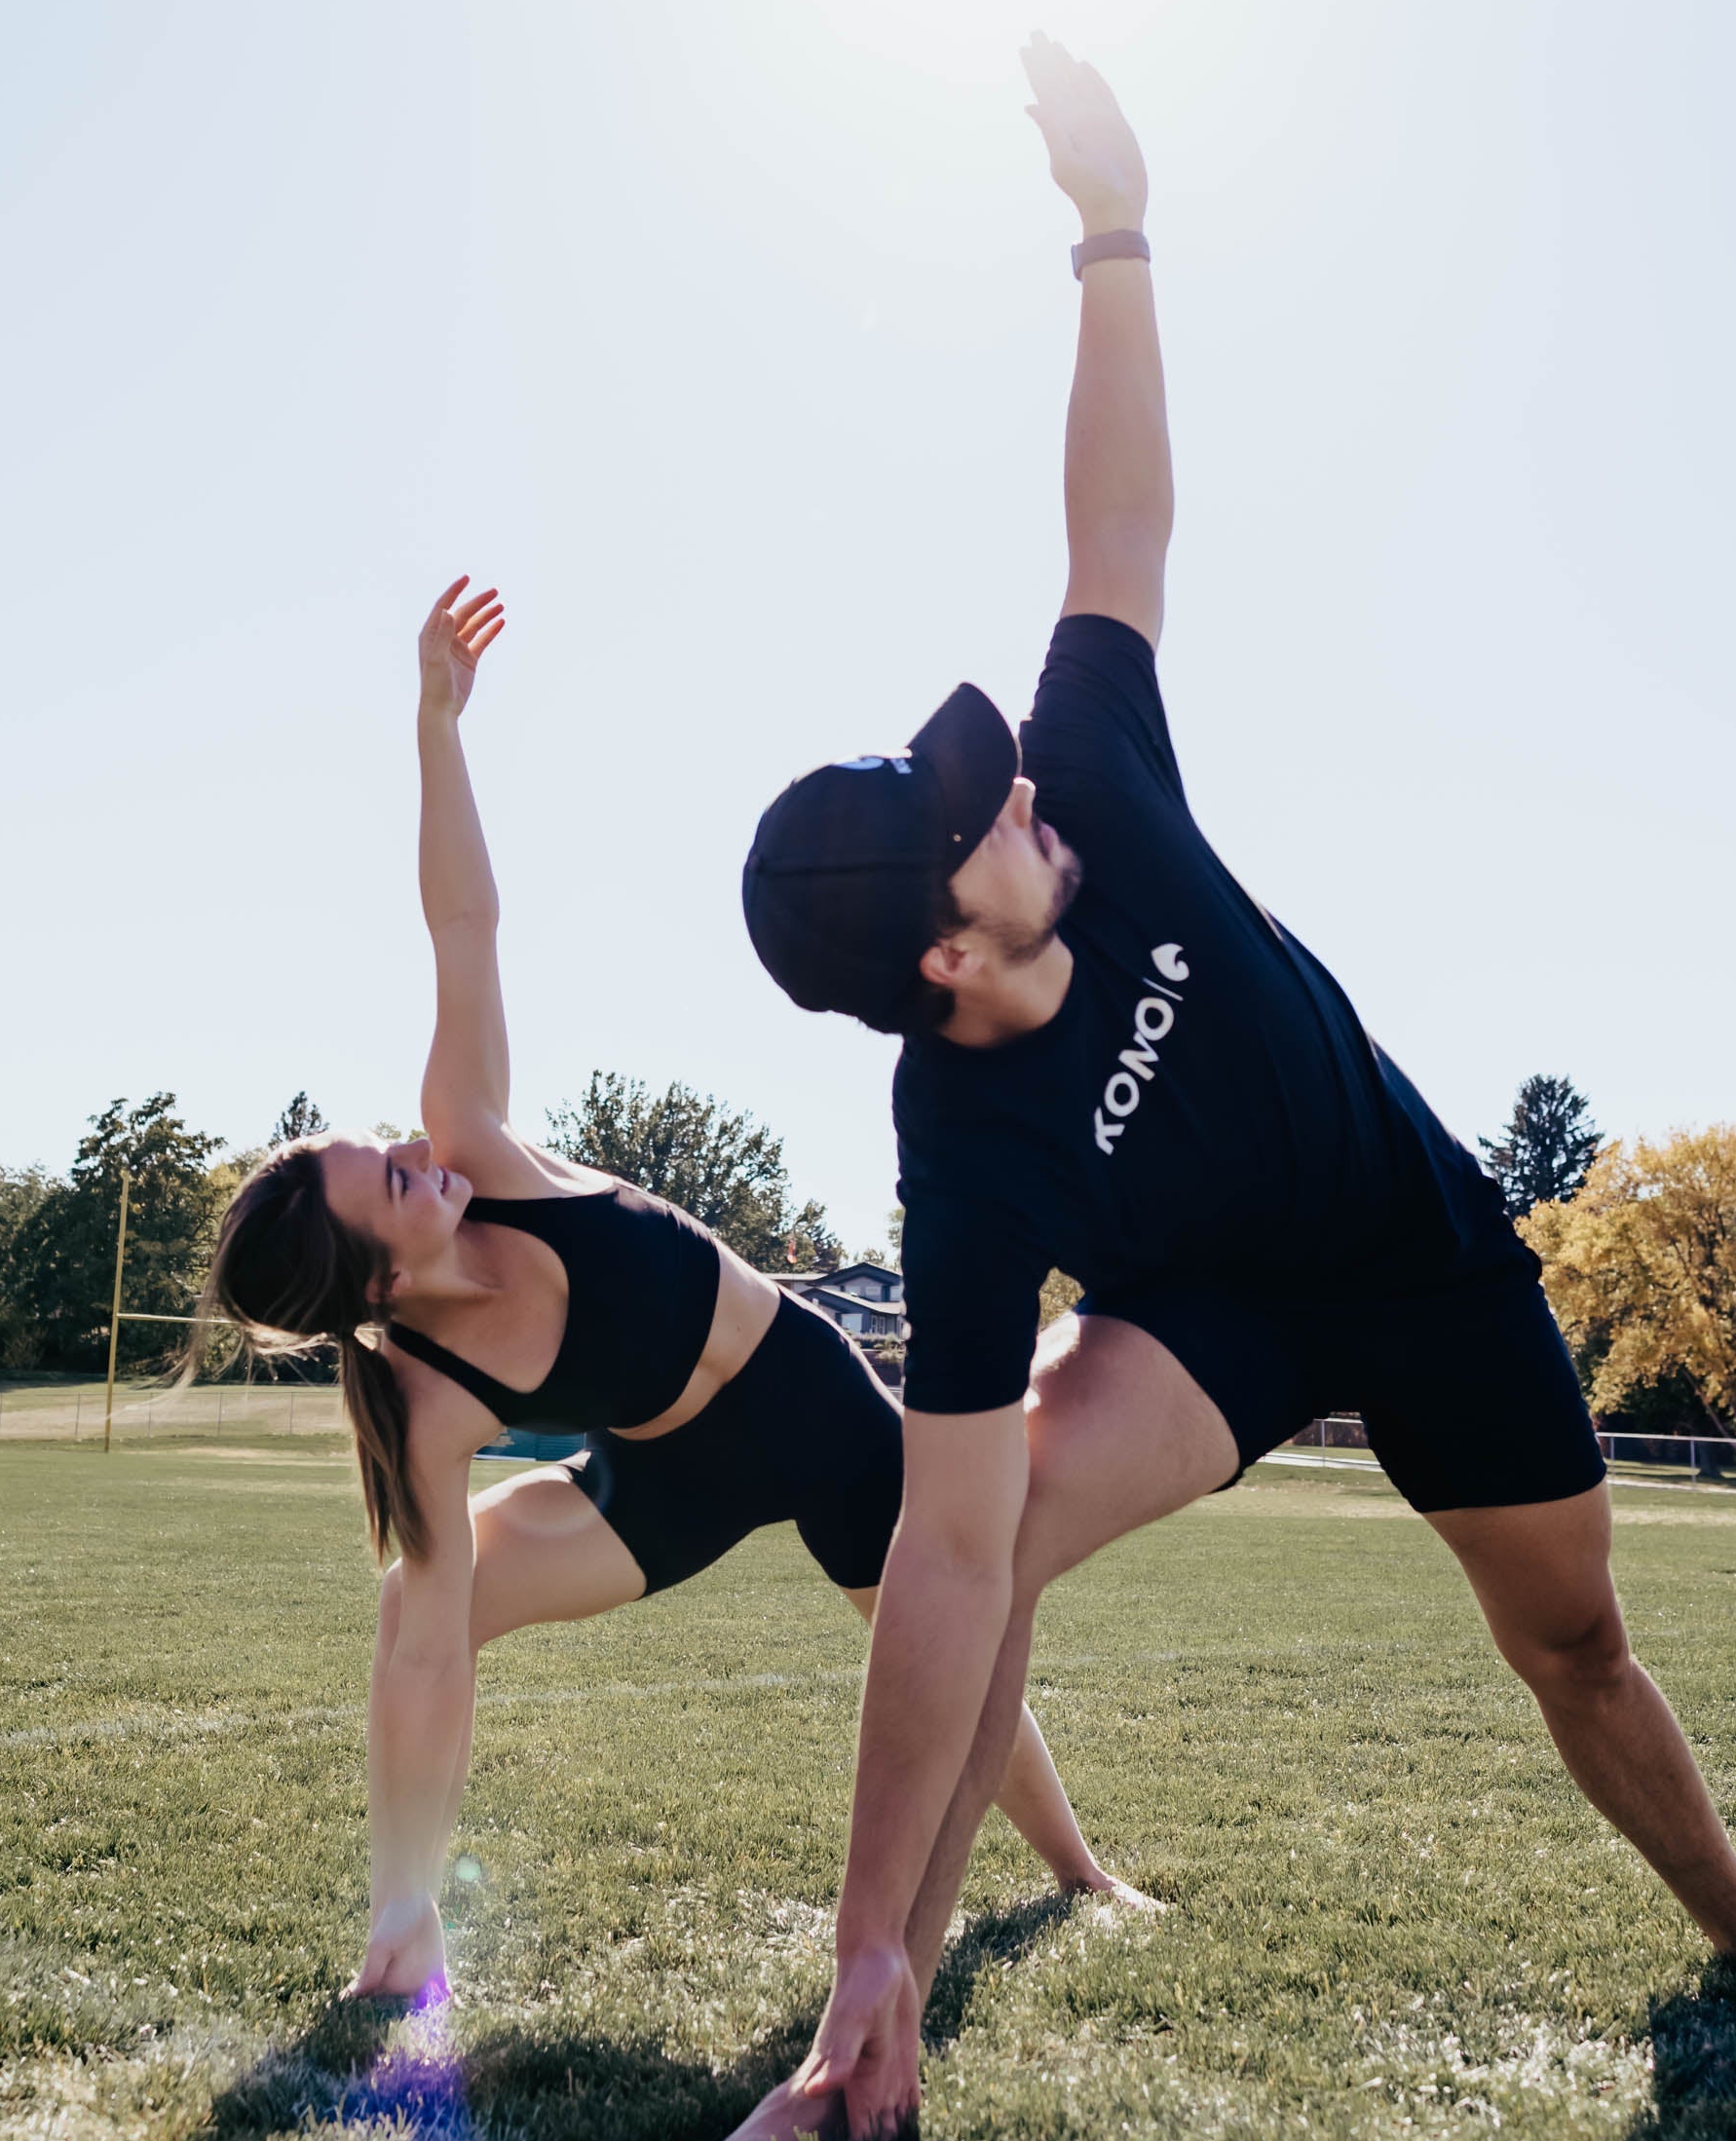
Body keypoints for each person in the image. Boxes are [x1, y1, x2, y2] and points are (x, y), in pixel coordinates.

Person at [704, 34, 1736, 2141]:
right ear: (940, 970)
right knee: (998, 1521)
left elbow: (1122, 515)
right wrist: (861, 1942)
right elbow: (951, 1547)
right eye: (976, 827)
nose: (1015, 806)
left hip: (1413, 1247)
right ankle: (876, 2018)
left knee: (1577, 1645)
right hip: (1218, 1315)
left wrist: (1114, 226)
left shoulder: (1093, 776)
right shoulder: (962, 1156)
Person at [199, 578, 1139, 2005]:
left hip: (804, 1399)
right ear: (380, 1280)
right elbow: (436, 1653)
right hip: (665, 1482)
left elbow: (465, 924)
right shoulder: (424, 1395)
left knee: (937, 1627)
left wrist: (434, 724)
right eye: (383, 1179)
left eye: (381, 1142)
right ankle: (402, 1932)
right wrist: (411, 1885)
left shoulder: (473, 1139)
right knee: (417, 1608)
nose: (407, 1148)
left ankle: (1078, 1869)